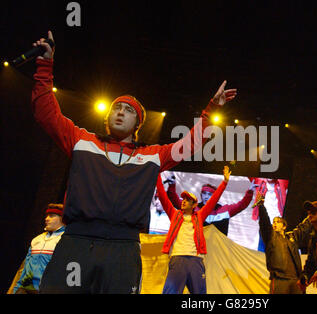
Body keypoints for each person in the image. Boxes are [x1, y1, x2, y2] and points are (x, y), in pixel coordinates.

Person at [31, 31, 237, 294]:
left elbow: (191, 144)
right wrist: (45, 65)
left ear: (137, 124)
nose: (120, 112)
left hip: (123, 248)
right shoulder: (82, 141)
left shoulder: (152, 155)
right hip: (76, 242)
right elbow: (45, 113)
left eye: (128, 110)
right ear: (107, 118)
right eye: (116, 108)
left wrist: (211, 110)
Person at [156, 166, 231, 294]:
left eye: (188, 200)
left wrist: (224, 182)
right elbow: (163, 196)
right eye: (183, 199)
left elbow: (213, 201)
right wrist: (156, 174)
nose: (184, 201)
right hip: (178, 258)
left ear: (195, 205)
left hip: (195, 260)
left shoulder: (199, 216)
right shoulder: (174, 215)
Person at [255, 195, 311, 294]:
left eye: (278, 222)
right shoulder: (271, 237)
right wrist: (261, 207)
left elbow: (303, 228)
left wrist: (311, 216)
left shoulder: (292, 237)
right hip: (279, 280)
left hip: (295, 280)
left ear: (284, 226)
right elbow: (265, 223)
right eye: (274, 222)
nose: (275, 224)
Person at [165, 175, 258, 235]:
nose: (206, 196)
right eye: (204, 193)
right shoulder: (194, 208)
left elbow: (241, 205)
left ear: (215, 197)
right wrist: (172, 186)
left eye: (209, 195)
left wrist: (250, 192)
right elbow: (176, 201)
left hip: (218, 250)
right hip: (196, 250)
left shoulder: (224, 210)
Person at [13, 204, 65, 294]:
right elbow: (25, 268)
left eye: (52, 216)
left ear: (62, 219)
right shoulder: (37, 239)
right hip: (25, 288)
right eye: (46, 216)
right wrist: (17, 288)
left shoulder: (65, 240)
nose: (47, 219)